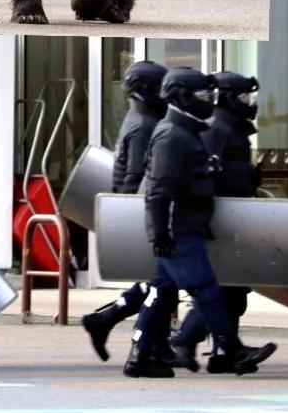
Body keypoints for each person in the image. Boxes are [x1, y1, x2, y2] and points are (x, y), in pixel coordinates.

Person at [124, 67, 276, 378]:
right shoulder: (172, 136)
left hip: (186, 226)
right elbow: (158, 192)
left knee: (160, 292)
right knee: (208, 291)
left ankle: (139, 357)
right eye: (202, 96)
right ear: (181, 97)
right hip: (179, 230)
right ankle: (231, 350)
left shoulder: (184, 133)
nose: (208, 101)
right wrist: (160, 234)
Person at [168, 72, 261, 374]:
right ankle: (184, 340)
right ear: (228, 97)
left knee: (234, 291)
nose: (249, 103)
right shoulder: (216, 129)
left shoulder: (231, 128)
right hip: (219, 222)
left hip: (234, 219)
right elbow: (205, 175)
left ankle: (223, 353)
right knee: (221, 290)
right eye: (244, 96)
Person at [80, 60, 168, 362]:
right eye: (160, 88)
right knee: (163, 280)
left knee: (160, 279)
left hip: (139, 210)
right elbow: (135, 175)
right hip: (141, 211)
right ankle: (149, 344)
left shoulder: (143, 117)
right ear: (146, 91)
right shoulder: (144, 124)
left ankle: (107, 322)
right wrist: (137, 218)